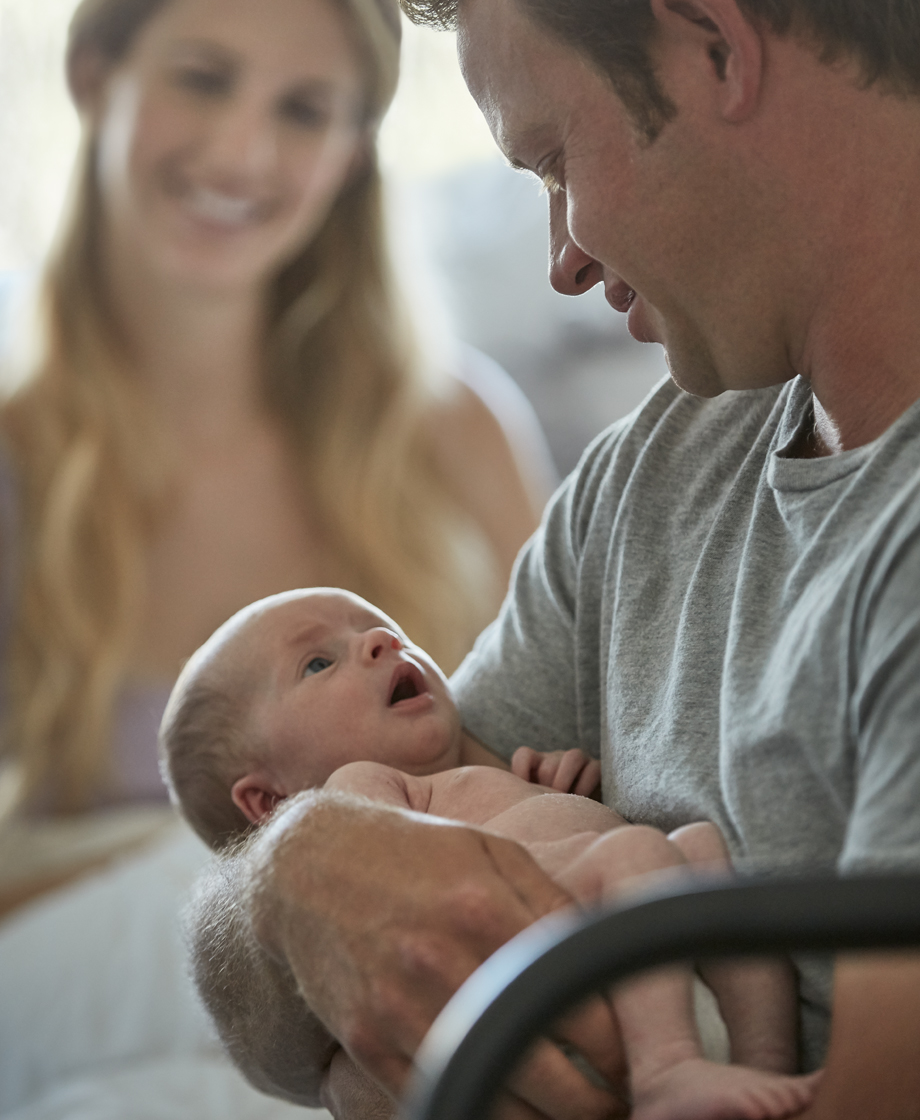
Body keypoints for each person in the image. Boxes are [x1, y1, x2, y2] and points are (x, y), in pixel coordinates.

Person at [186, 1, 920, 1119]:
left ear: (716, 45)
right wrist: (298, 869)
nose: (563, 262)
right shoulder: (655, 476)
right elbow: (327, 1034)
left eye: (553, 162)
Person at [0, 0, 550, 828]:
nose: (241, 153)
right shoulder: (15, 470)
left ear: (354, 152)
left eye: (303, 110)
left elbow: (579, 748)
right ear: (93, 76)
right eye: (201, 79)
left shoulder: (458, 431)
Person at [164, 587, 820, 1120]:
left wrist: (558, 789)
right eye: (317, 663)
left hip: (636, 968)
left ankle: (761, 1069)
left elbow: (541, 832)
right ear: (271, 803)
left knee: (699, 850)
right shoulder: (353, 795)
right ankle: (669, 1073)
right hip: (550, 986)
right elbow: (396, 865)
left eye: (380, 626)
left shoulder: (475, 773)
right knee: (638, 854)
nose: (379, 640)